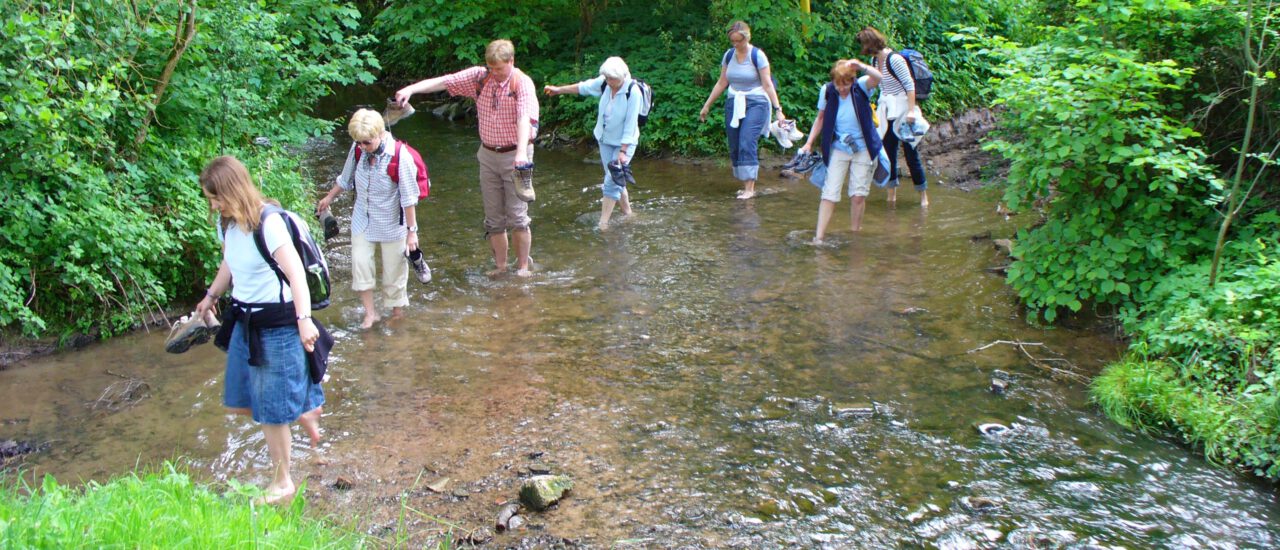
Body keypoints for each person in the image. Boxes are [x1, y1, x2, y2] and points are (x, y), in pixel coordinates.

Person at [193, 155, 325, 506]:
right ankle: (303, 409)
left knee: (269, 410)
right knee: (242, 401)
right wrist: (210, 296)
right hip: (244, 320)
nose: (214, 205)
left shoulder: (269, 224)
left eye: (217, 198)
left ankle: (283, 482)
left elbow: (296, 274)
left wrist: (304, 320)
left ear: (233, 191)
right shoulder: (227, 224)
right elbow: (229, 263)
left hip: (278, 324)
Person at [394, 39, 539, 277]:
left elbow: (525, 118)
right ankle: (501, 267)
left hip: (517, 155)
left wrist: (522, 152)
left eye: (499, 69)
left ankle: (523, 268)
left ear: (511, 61)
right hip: (488, 154)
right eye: (491, 68)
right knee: (493, 220)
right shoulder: (479, 78)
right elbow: (445, 81)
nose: (495, 74)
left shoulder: (521, 83)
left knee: (518, 217)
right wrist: (411, 89)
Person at [315, 109, 420, 328]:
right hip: (363, 218)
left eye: (366, 143)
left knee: (394, 271)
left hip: (392, 222)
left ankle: (397, 313)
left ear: (381, 134)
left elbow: (409, 198)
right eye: (359, 142)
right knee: (361, 264)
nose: (362, 147)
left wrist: (412, 232)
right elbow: (345, 179)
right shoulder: (357, 149)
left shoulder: (401, 157)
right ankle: (370, 313)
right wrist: (328, 198)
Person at [797, 59, 891, 244]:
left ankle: (855, 233)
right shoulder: (827, 90)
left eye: (846, 84)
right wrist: (809, 143)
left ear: (853, 80)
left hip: (863, 147)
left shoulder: (862, 86)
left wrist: (862, 67)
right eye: (838, 84)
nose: (842, 89)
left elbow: (880, 78)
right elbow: (820, 118)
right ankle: (819, 237)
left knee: (857, 196)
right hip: (839, 148)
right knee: (829, 193)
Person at [544, 56, 641, 231]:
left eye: (613, 79)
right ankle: (628, 214)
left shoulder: (633, 92)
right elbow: (583, 87)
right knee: (614, 177)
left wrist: (623, 151)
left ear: (623, 76)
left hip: (624, 143)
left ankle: (603, 223)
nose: (609, 82)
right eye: (607, 78)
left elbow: (630, 123)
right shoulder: (605, 82)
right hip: (604, 139)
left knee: (611, 179)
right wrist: (559, 90)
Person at [698, 21, 787, 200]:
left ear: (747, 38)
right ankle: (745, 182)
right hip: (734, 101)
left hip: (757, 102)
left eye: (739, 41)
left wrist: (778, 109)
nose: (736, 45)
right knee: (735, 142)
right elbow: (722, 82)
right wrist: (707, 105)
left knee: (747, 139)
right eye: (733, 41)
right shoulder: (729, 55)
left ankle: (749, 188)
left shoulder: (757, 56)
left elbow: (768, 84)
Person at [858, 26, 929, 207]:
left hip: (904, 111)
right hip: (887, 111)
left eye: (864, 45)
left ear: (871, 44)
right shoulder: (875, 61)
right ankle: (891, 195)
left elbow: (909, 86)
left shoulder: (895, 59)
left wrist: (912, 112)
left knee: (911, 155)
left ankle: (923, 197)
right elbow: (876, 85)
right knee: (888, 154)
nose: (863, 50)